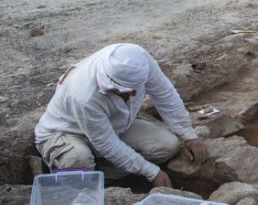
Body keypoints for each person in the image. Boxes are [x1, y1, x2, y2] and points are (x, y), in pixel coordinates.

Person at [34, 43, 208, 187]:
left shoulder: (139, 59)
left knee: (168, 146)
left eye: (135, 90)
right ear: (110, 83)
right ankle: (69, 175)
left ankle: (98, 178)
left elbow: (164, 94)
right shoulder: (83, 94)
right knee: (78, 162)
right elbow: (106, 143)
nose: (132, 95)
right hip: (67, 132)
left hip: (114, 125)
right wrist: (152, 172)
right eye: (125, 92)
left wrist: (189, 135)